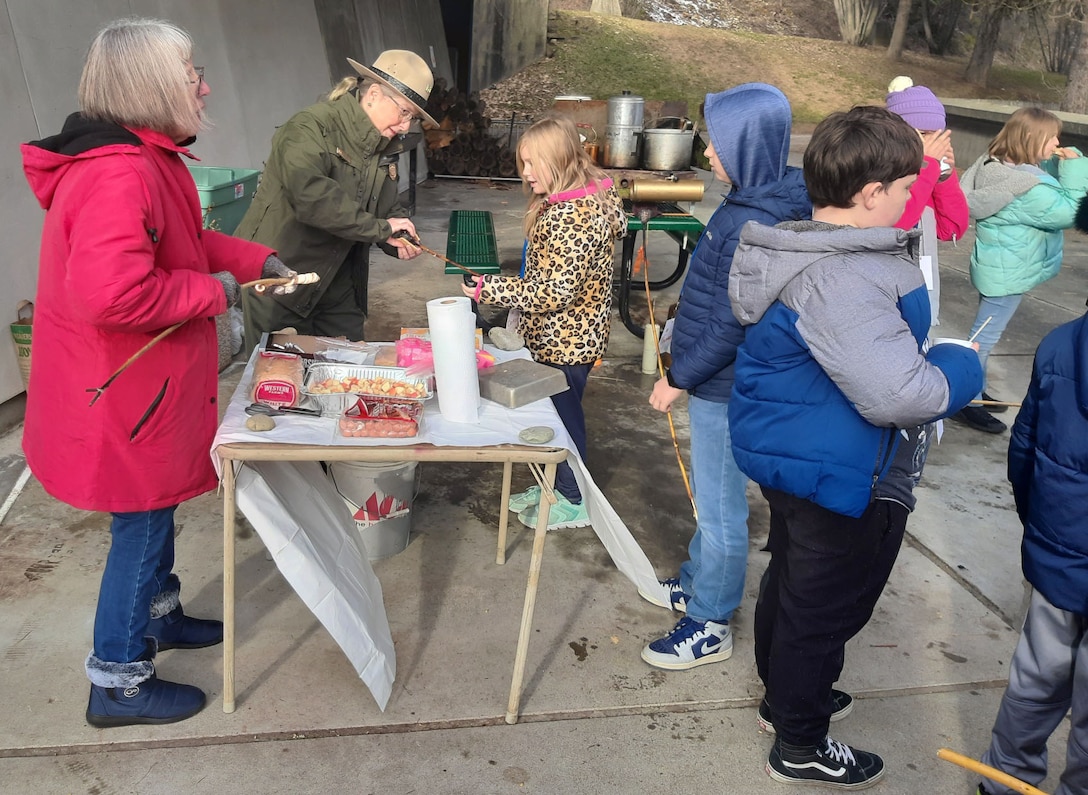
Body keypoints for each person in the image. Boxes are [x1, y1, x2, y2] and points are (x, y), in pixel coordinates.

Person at [20, 18, 286, 726]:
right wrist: (217, 292)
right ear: (150, 86)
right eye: (191, 71)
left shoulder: (149, 157)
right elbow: (113, 294)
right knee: (139, 525)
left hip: (144, 389)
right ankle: (118, 679)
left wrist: (256, 262)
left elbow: (189, 240)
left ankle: (160, 614)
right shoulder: (119, 171)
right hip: (124, 393)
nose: (204, 83)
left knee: (155, 509)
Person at [727, 105, 983, 788]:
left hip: (800, 457)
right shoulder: (840, 279)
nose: (912, 201)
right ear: (871, 194)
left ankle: (786, 694)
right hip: (836, 472)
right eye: (906, 190)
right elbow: (902, 393)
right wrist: (964, 364)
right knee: (825, 606)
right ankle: (800, 739)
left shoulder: (814, 249)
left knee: (793, 582)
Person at [640, 83, 811, 671]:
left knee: (719, 509)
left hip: (721, 385)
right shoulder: (750, 203)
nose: (707, 153)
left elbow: (734, 321)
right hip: (716, 378)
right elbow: (715, 299)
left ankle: (711, 620)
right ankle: (697, 579)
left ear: (747, 145)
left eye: (716, 142)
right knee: (710, 501)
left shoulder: (754, 222)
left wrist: (678, 377)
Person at [462, 115, 627, 530]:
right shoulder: (583, 198)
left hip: (565, 342)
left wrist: (489, 290)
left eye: (534, 163)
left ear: (559, 159)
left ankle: (574, 500)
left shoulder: (570, 217)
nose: (526, 173)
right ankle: (555, 486)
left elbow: (553, 292)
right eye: (523, 162)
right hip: (566, 337)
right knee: (552, 417)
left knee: (564, 423)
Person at [236, 49, 436, 352]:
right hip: (279, 276)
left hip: (337, 280)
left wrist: (396, 237)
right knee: (276, 380)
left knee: (348, 369)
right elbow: (313, 199)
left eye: (414, 118)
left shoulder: (384, 145)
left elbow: (382, 208)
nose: (407, 126)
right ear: (373, 95)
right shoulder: (309, 128)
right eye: (404, 112)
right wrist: (381, 229)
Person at [974, 311, 1088, 795]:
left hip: (1060, 549)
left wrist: (1040, 529)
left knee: (1035, 678)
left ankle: (1003, 780)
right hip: (1059, 546)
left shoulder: (1064, 341)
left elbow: (1024, 448)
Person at [955, 106, 1088, 434]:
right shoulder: (1024, 189)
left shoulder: (995, 164)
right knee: (982, 339)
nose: (1057, 141)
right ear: (1031, 140)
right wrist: (1077, 166)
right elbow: (1072, 211)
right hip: (1006, 273)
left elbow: (1044, 181)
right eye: (1051, 136)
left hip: (1000, 266)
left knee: (984, 334)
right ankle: (967, 400)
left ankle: (975, 390)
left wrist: (1058, 161)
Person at [884, 76, 969, 329]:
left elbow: (952, 228)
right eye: (923, 135)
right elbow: (895, 227)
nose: (933, 144)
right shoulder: (880, 175)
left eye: (937, 135)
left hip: (921, 290)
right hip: (889, 295)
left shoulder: (929, 174)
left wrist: (944, 176)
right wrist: (926, 167)